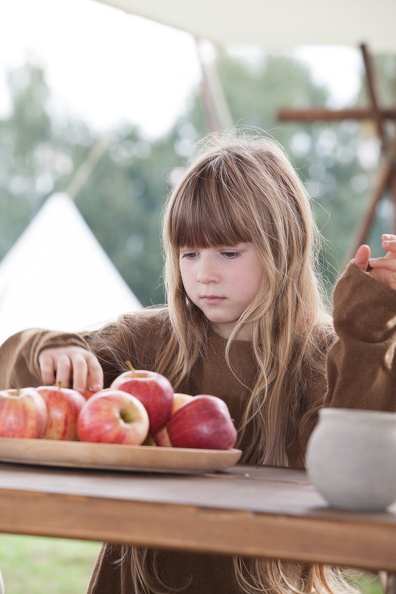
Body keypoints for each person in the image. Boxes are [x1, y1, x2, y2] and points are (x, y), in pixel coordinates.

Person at [1, 131, 396, 594]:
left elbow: (359, 468)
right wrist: (51, 348)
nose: (204, 273)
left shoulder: (323, 356)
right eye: (189, 253)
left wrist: (366, 333)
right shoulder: (148, 343)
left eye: (228, 253)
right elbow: (22, 381)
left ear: (284, 248)